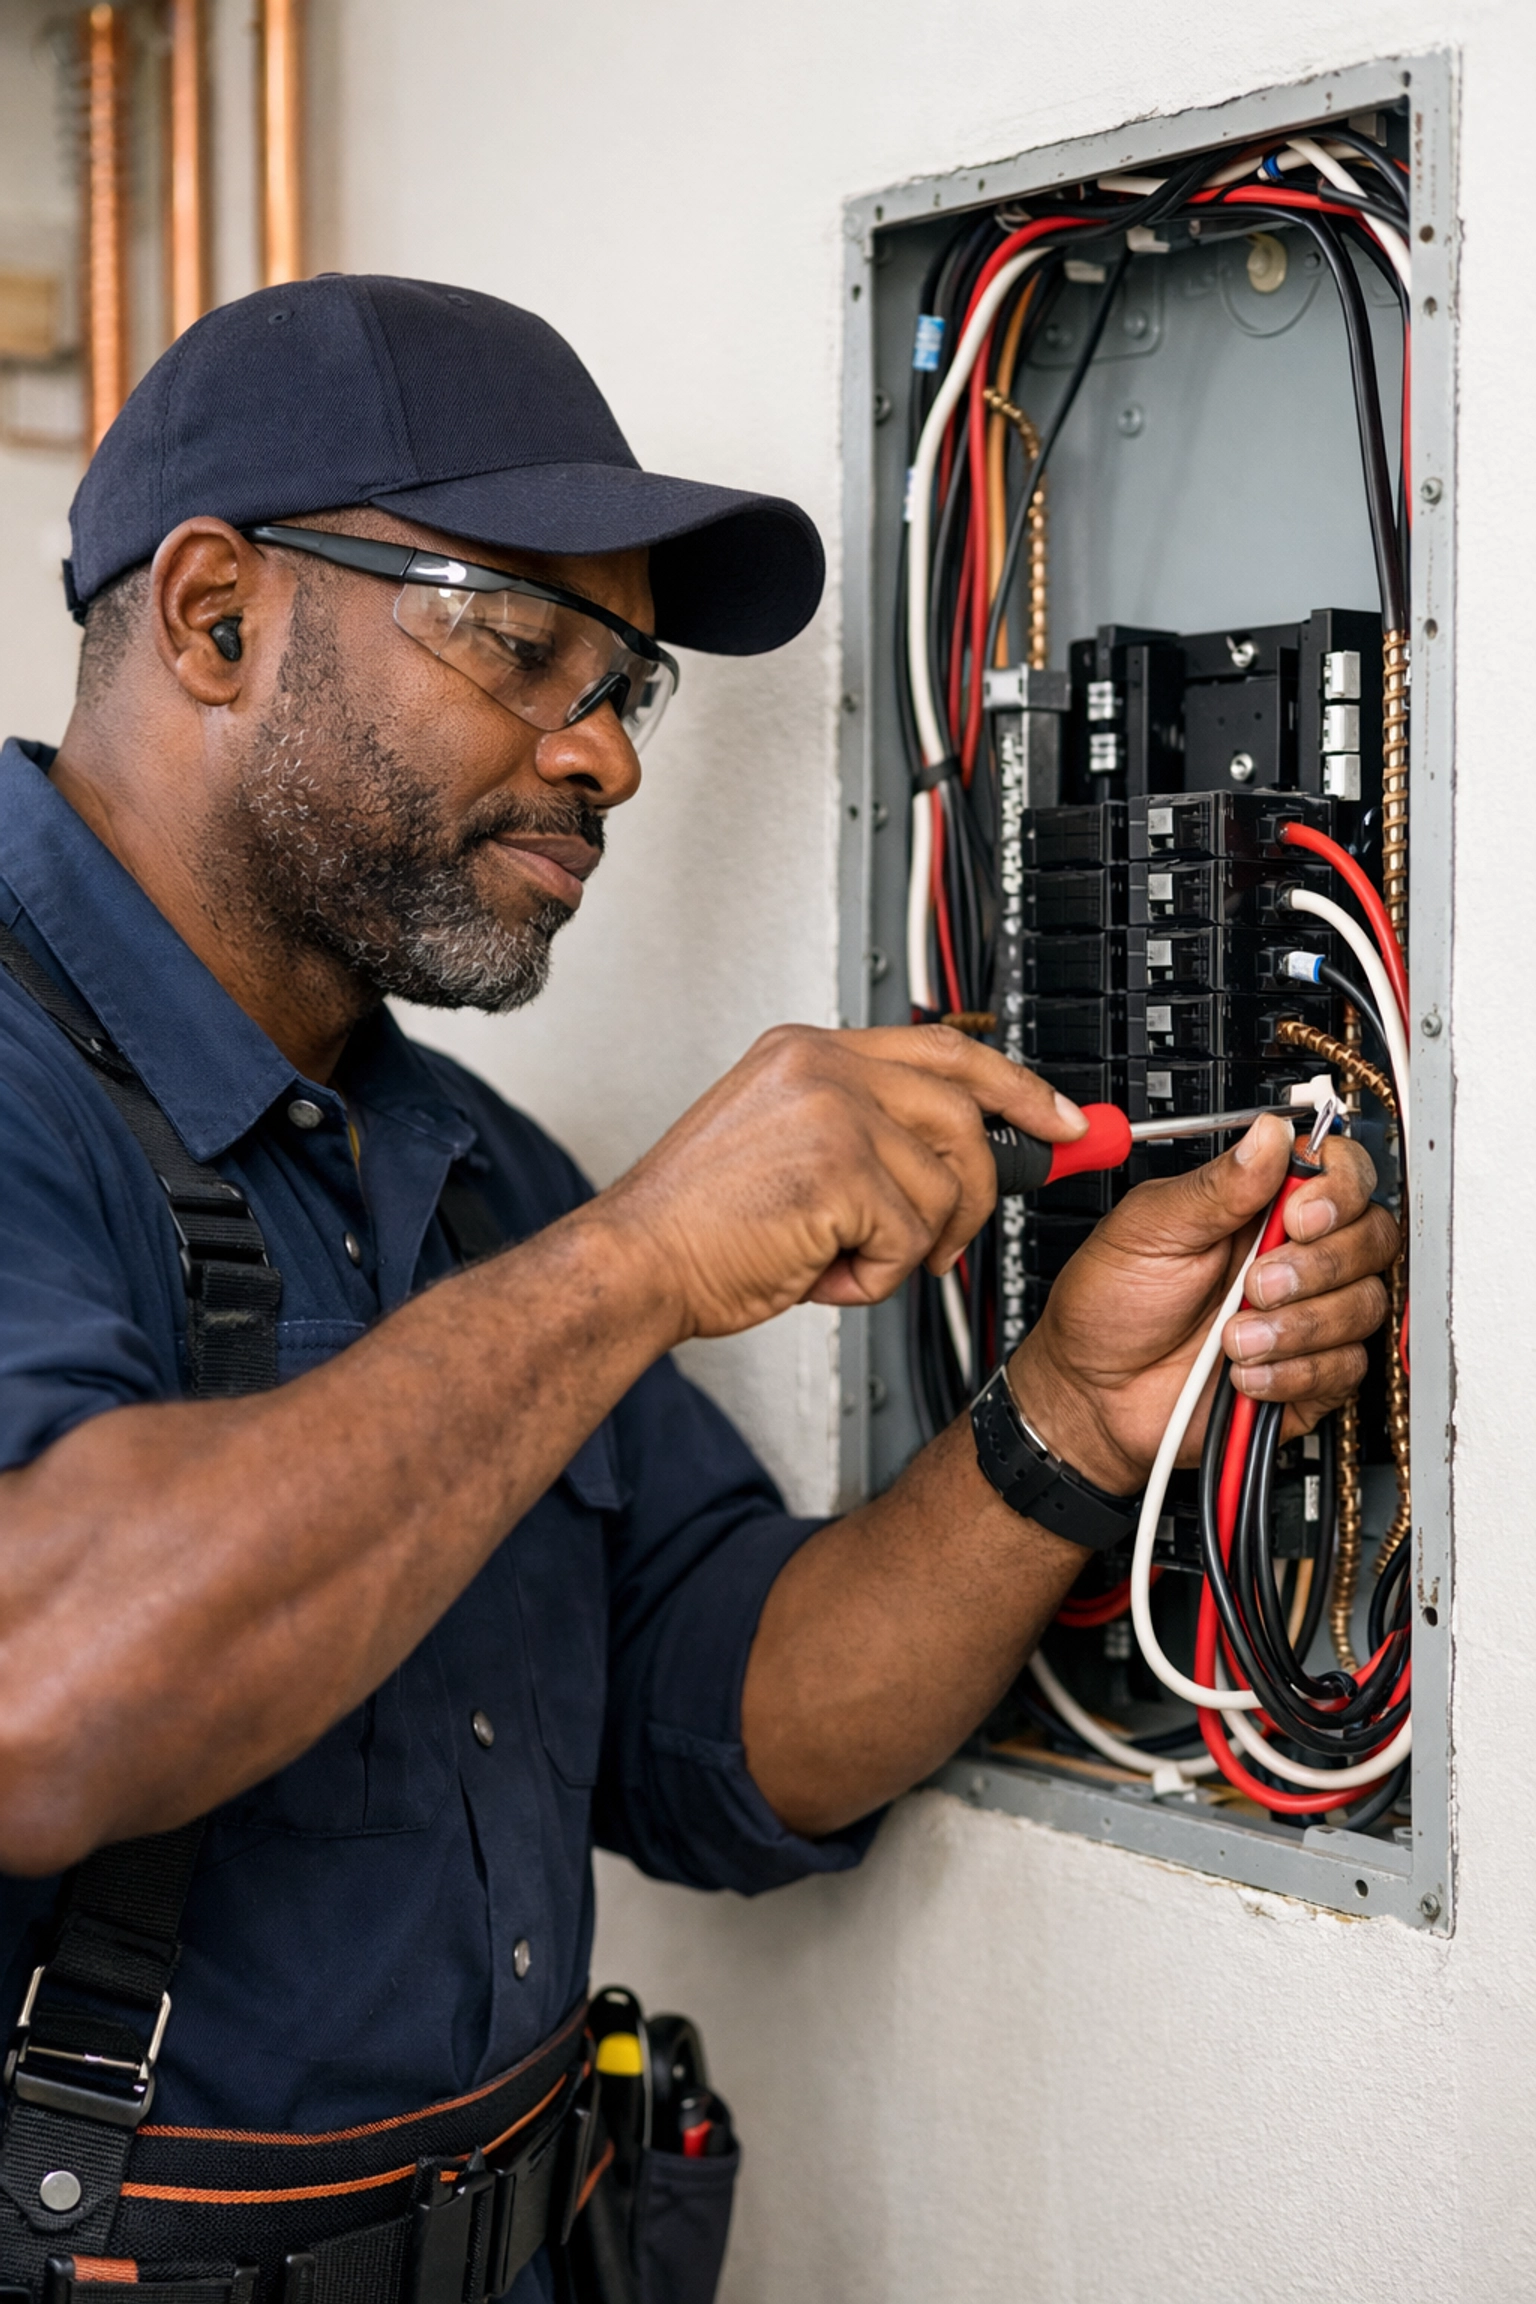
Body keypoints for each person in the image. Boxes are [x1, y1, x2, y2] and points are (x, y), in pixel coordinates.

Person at [0, 277, 1395, 2304]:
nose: (608, 759)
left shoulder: (459, 1164)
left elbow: (733, 1721)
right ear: (219, 618)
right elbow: (40, 1696)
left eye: (624, 684)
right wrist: (642, 1255)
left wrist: (1079, 1415)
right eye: (520, 646)